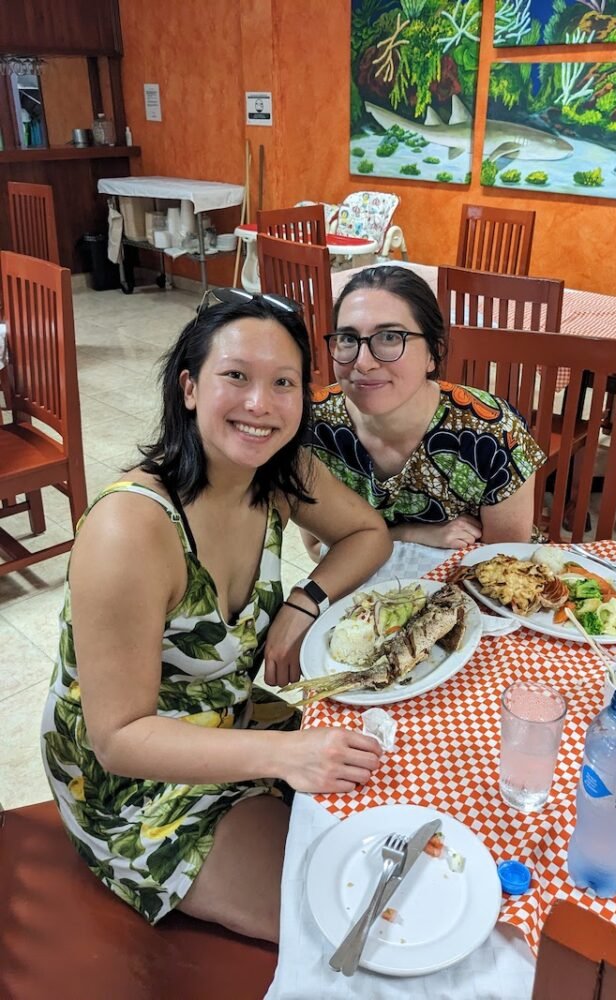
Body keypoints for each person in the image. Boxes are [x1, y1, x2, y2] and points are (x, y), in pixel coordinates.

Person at [40, 293, 392, 942]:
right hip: (133, 789)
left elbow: (368, 533)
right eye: (236, 375)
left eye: (283, 383)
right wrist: (289, 753)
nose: (260, 404)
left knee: (398, 799)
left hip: (234, 726)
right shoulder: (131, 530)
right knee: (347, 920)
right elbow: (118, 740)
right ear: (190, 388)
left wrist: (301, 603)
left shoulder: (275, 470)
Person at [302, 265, 546, 561]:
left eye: (390, 337)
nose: (363, 362)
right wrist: (411, 533)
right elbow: (318, 549)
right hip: (361, 590)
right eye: (349, 339)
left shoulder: (492, 433)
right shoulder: (314, 426)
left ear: (433, 352)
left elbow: (505, 567)